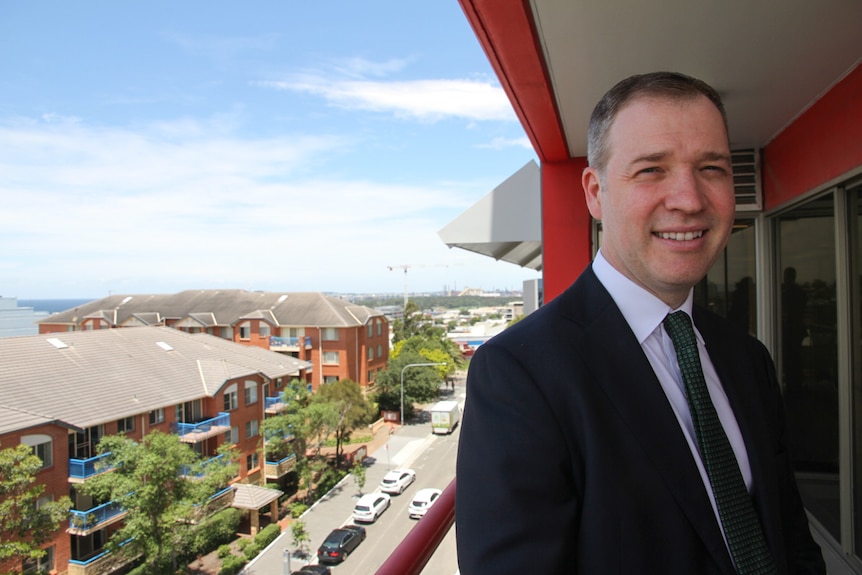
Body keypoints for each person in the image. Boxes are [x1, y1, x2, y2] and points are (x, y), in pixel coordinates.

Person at [455, 72, 825, 574]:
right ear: (595, 192)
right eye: (652, 169)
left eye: (711, 168)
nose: (690, 199)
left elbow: (789, 536)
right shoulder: (520, 374)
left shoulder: (746, 356)